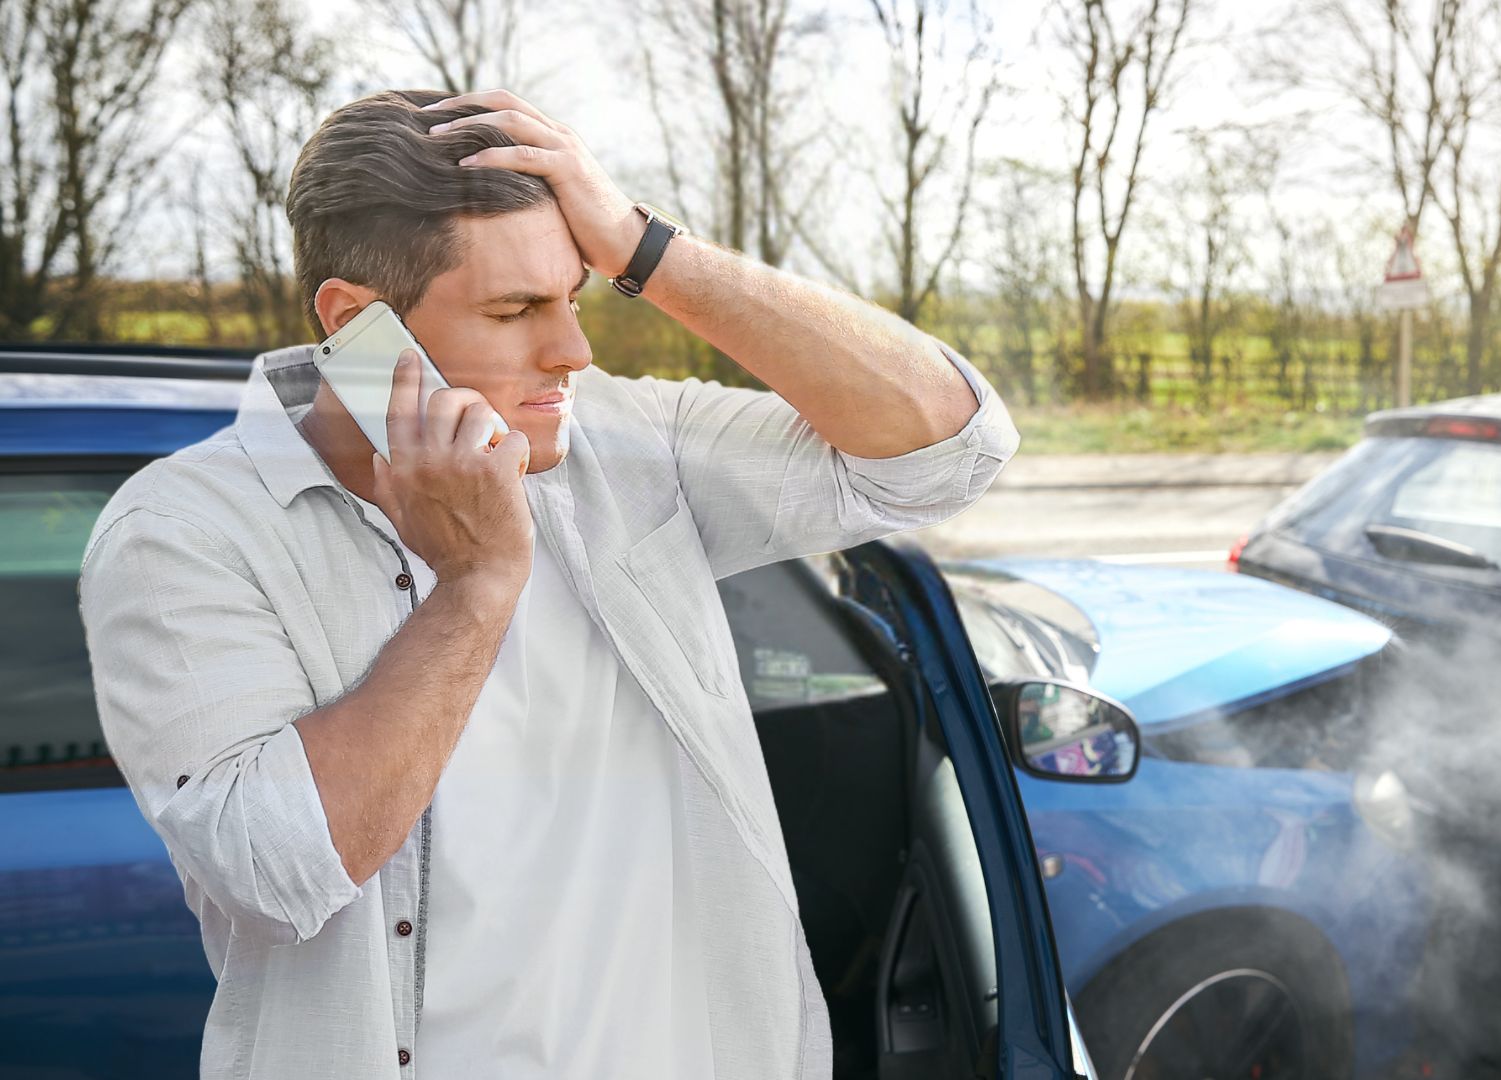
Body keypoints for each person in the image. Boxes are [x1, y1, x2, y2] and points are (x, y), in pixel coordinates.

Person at [76, 87, 1019, 1080]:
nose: (572, 348)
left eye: (575, 294)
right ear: (358, 325)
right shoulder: (181, 532)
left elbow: (948, 449)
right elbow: (276, 873)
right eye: (516, 307)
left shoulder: (625, 442)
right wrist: (477, 587)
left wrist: (645, 252)